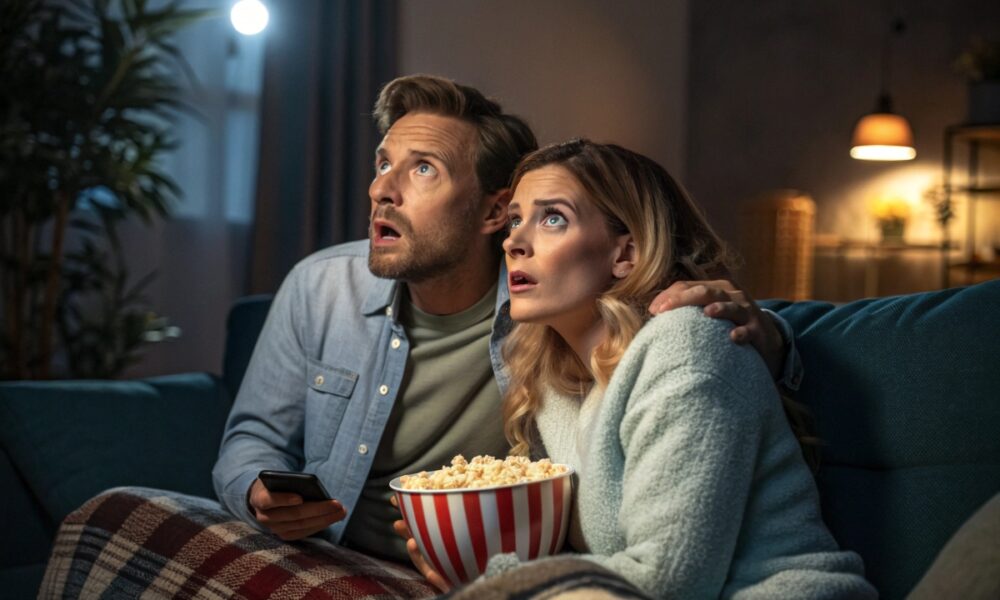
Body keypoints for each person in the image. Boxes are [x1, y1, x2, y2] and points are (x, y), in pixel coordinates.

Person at [212, 75, 802, 565]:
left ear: (490, 211)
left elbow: (682, 341)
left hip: (474, 578)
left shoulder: (547, 315)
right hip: (331, 552)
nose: (379, 190)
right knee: (130, 513)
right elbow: (252, 439)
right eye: (383, 162)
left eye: (422, 170)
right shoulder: (322, 288)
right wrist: (257, 490)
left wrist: (771, 340)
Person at [398, 139, 876, 598]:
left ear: (625, 254)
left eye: (553, 219)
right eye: (516, 219)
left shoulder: (688, 344)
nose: (514, 242)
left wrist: (496, 582)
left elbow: (669, 582)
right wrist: (465, 552)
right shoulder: (555, 383)